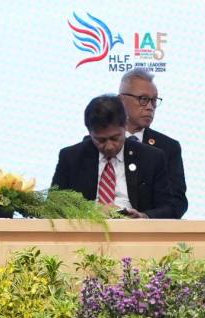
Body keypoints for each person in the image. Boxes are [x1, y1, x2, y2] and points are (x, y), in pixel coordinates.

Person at [52, 95, 176, 218]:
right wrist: (89, 213)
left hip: (135, 232)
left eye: (115, 138)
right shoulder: (71, 157)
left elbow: (169, 208)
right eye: (101, 140)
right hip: (86, 231)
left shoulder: (152, 157)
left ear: (125, 125)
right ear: (90, 132)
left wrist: (143, 216)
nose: (109, 146)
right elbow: (53, 206)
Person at [118, 69, 187, 218]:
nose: (150, 107)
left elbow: (178, 203)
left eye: (154, 101)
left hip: (149, 233)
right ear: (121, 100)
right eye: (143, 99)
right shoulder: (100, 143)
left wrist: (146, 217)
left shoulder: (168, 147)